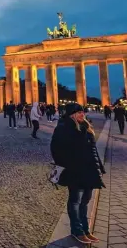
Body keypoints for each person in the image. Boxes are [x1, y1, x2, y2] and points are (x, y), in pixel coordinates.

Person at [50, 103, 104, 244]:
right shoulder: (64, 128)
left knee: (85, 200)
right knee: (75, 201)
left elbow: (93, 150)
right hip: (74, 170)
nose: (82, 114)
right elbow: (56, 149)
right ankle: (77, 231)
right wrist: (67, 164)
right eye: (79, 112)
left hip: (89, 169)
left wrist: (99, 167)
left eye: (82, 112)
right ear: (71, 114)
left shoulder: (86, 127)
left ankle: (85, 230)